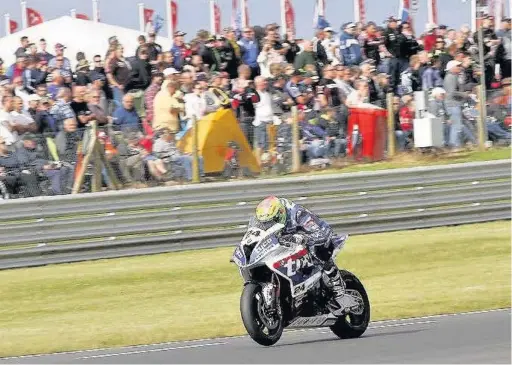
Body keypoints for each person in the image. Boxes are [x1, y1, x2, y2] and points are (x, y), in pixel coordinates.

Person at [252, 196, 355, 313]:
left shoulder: (297, 214)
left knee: (317, 250)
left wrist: (300, 237)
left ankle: (338, 287)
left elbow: (317, 233)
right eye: (266, 222)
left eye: (273, 220)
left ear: (280, 213)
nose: (270, 224)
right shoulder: (264, 220)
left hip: (316, 234)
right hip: (288, 242)